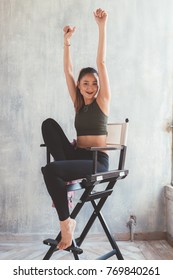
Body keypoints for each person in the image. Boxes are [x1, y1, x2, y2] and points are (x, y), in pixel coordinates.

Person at [41, 8, 111, 251]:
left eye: (94, 83)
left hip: (96, 161)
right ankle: (67, 214)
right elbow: (68, 71)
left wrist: (101, 26)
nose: (90, 87)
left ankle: (65, 225)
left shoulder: (103, 102)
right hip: (77, 156)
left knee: (50, 170)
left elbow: (101, 62)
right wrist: (67, 42)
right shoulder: (78, 104)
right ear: (79, 87)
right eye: (85, 83)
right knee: (48, 124)